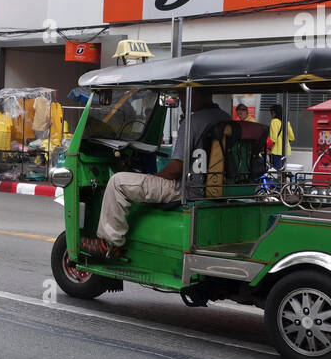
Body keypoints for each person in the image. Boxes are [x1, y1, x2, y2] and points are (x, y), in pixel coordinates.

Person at [87, 88, 230, 260]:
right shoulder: (224, 118)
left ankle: (109, 244)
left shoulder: (192, 122)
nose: (182, 102)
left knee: (117, 182)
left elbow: (176, 168)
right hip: (212, 186)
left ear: (195, 95)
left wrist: (155, 177)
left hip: (184, 188)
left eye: (183, 96)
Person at [267, 104, 295, 172]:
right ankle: (282, 181)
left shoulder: (274, 121)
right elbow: (292, 137)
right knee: (282, 169)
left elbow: (273, 138)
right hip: (285, 151)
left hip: (276, 151)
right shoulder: (286, 122)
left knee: (276, 170)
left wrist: (268, 148)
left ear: (273, 112)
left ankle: (277, 182)